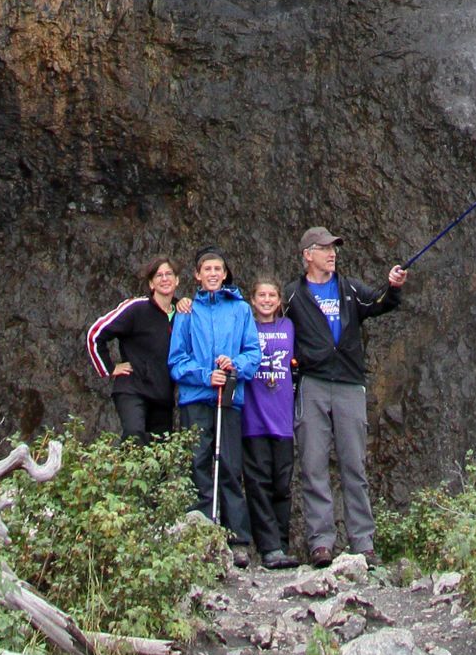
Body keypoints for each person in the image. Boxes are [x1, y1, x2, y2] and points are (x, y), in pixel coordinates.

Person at [287, 226, 407, 566]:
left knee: (354, 463)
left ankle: (362, 542)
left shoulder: (350, 289)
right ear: (308, 254)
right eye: (325, 248)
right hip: (311, 383)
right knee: (312, 464)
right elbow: (273, 328)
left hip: (350, 384)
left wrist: (394, 286)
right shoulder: (293, 295)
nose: (332, 253)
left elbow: (381, 303)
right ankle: (321, 543)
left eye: (334, 248)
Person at [168, 246, 261, 561]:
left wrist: (233, 364)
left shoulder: (241, 309)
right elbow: (177, 360)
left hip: (229, 398)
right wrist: (206, 375)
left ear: (225, 274)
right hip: (196, 397)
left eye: (217, 269)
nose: (212, 274)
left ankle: (238, 540)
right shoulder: (186, 310)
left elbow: (253, 352)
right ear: (197, 275)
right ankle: (201, 532)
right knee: (198, 463)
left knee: (231, 466)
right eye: (206, 269)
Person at [85, 256, 182, 439]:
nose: (164, 278)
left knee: (160, 453)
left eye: (169, 274)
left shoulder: (182, 313)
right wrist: (110, 368)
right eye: (158, 275)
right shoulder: (137, 308)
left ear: (177, 280)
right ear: (151, 284)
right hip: (133, 389)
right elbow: (95, 334)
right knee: (134, 435)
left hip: (163, 395)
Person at [241, 278, 298, 568]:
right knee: (258, 483)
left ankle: (282, 544)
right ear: (252, 300)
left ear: (279, 300)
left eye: (272, 295)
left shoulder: (289, 327)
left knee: (282, 485)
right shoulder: (245, 328)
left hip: (283, 419)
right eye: (261, 295)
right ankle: (268, 548)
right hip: (253, 418)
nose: (266, 299)